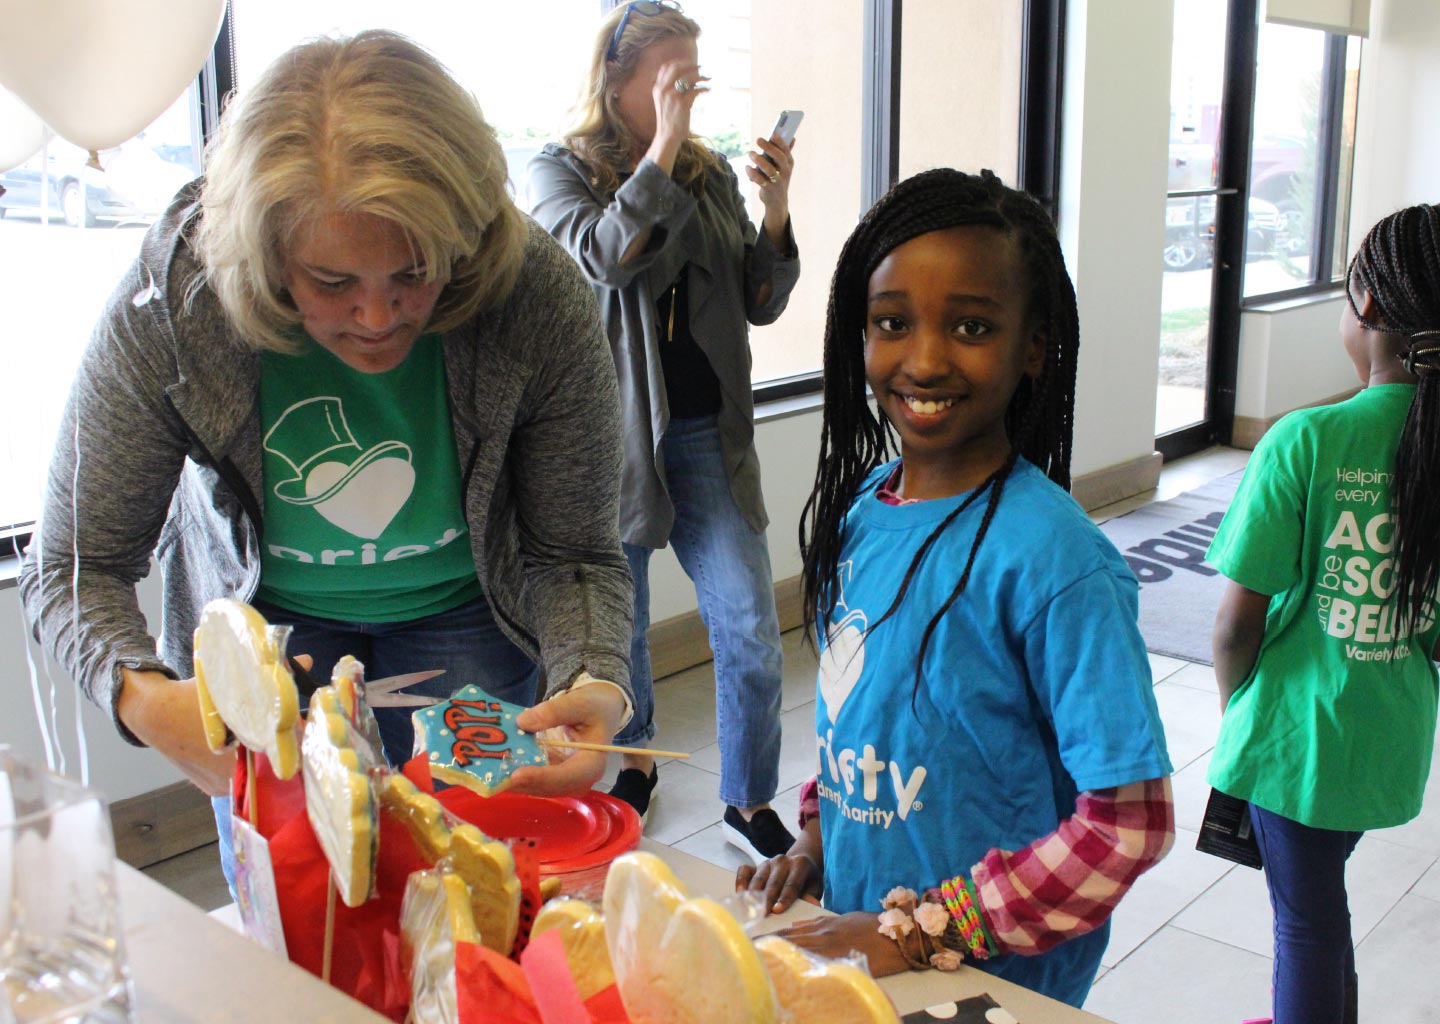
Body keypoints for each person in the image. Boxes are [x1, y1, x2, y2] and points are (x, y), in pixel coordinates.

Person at [18, 30, 634, 885]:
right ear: (265, 258)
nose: (378, 318)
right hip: (266, 629)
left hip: (467, 614)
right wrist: (145, 699)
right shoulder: (173, 306)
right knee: (301, 897)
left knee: (469, 885)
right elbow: (74, 566)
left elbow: (572, 553)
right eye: (332, 282)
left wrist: (596, 677)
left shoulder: (536, 295)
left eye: (416, 274)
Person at [736, 168, 1174, 1008]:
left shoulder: (1056, 559)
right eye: (892, 323)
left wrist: (928, 927)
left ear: (1034, 346)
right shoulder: (861, 509)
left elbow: (1129, 823)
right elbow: (854, 711)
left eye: (971, 326)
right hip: (869, 954)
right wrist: (819, 840)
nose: (925, 359)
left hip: (992, 982)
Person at [528, 0, 799, 860]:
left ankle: (749, 800)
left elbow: (761, 299)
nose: (689, 94)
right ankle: (637, 765)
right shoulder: (557, 168)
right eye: (672, 79)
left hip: (709, 436)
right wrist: (662, 151)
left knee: (751, 630)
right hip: (610, 441)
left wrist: (778, 208)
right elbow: (602, 258)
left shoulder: (710, 174)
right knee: (626, 627)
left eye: (696, 78)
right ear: (617, 79)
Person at [1205, 204, 1440, 1024]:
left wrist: (1240, 714)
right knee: (1320, 908)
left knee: (1304, 923)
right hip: (1391, 739)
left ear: (1367, 306)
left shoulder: (1305, 440)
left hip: (1294, 742)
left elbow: (1236, 626)